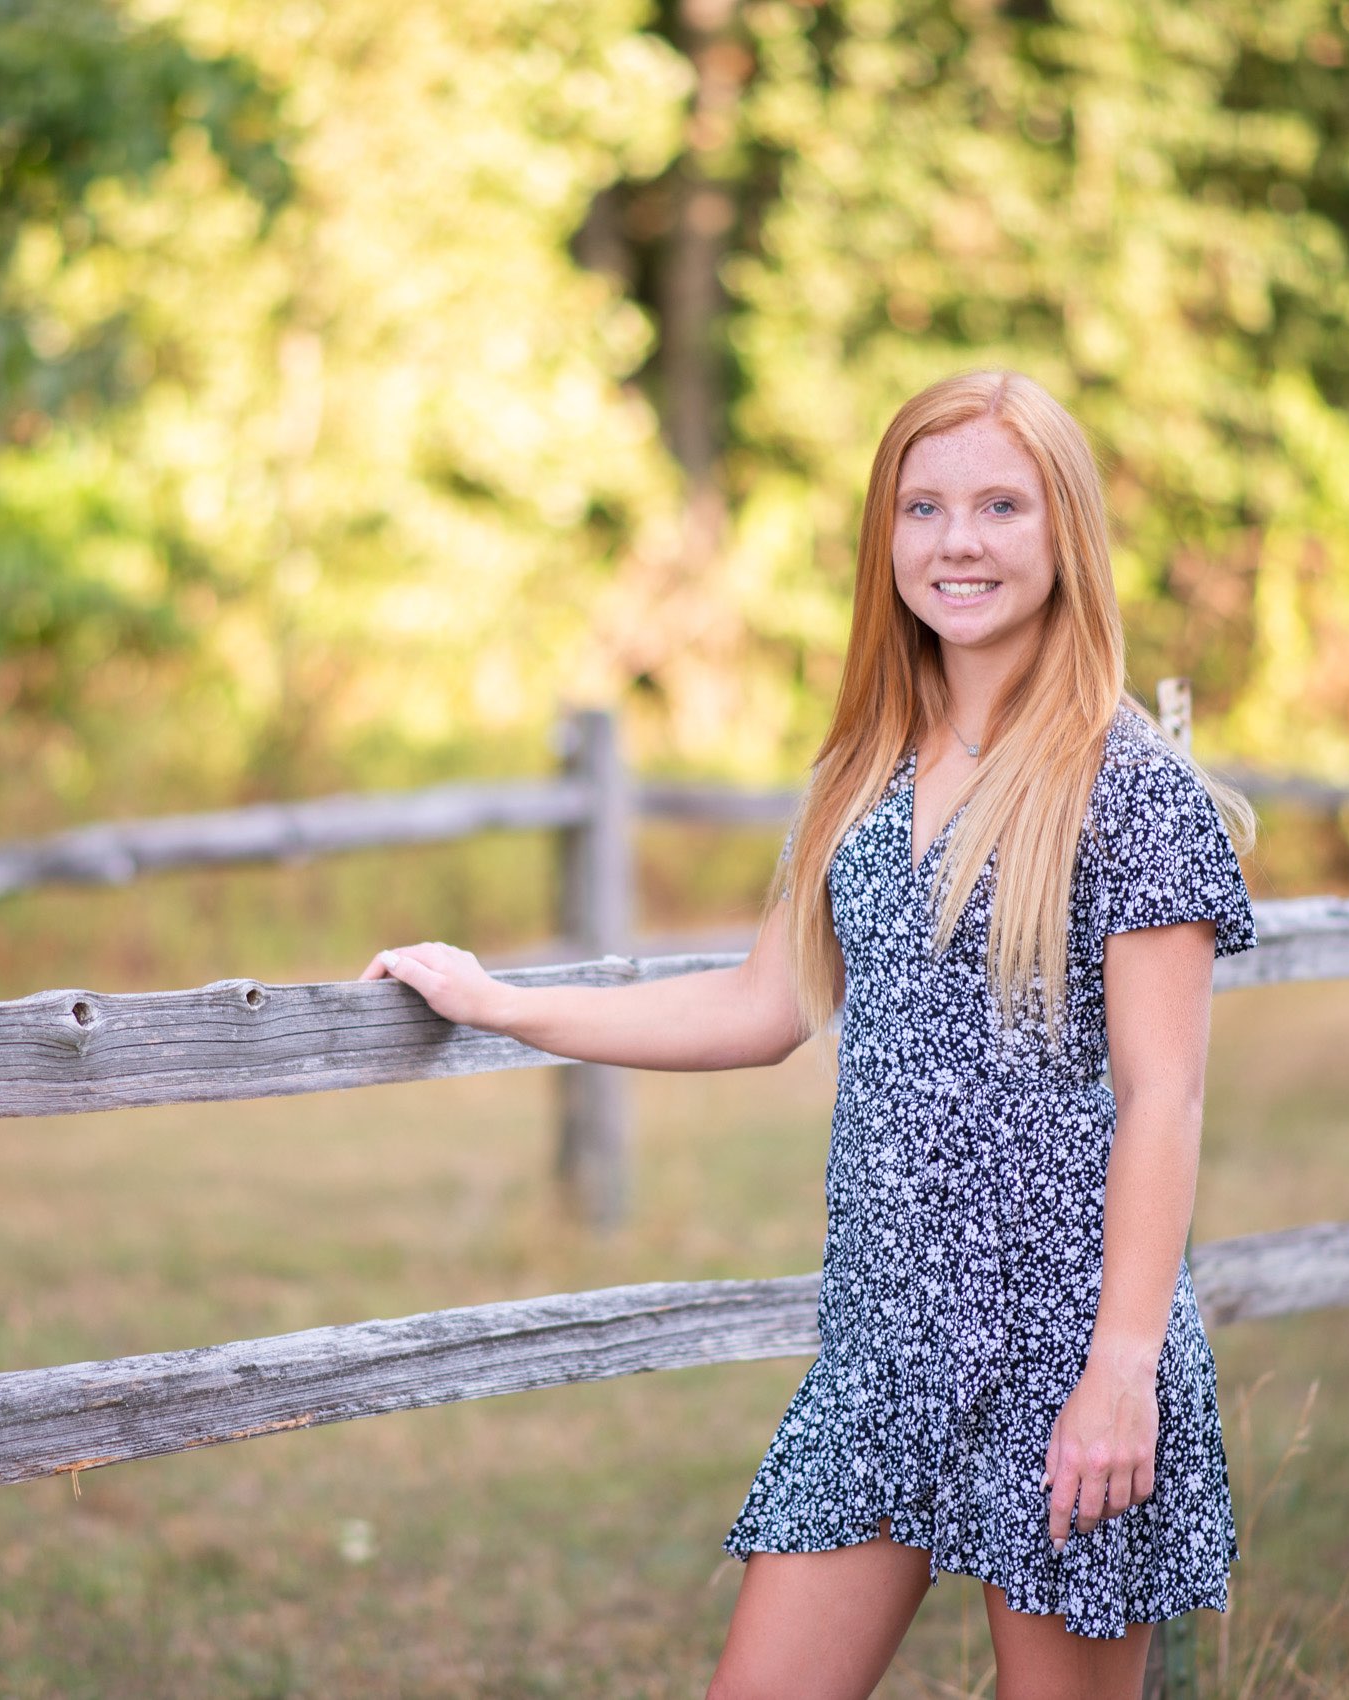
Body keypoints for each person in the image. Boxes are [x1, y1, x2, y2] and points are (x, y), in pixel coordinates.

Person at [361, 369, 1257, 1700]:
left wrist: (1123, 1371)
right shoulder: (866, 774)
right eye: (925, 507)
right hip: (886, 1353)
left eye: (1002, 506)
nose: (959, 540)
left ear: (1065, 532)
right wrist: (504, 1001)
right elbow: (757, 1005)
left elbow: (1164, 1097)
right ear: (884, 540)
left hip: (1066, 1358)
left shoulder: (1130, 792)